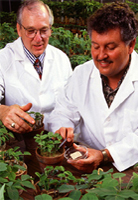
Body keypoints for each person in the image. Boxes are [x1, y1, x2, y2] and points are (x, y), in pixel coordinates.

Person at [48, 2, 138, 173]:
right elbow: (63, 111)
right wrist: (63, 127)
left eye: (110, 47)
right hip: (85, 166)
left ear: (130, 45)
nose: (101, 55)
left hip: (131, 170)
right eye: (95, 46)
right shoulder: (82, 74)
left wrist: (105, 154)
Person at [0, 0, 72, 135]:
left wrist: (66, 126)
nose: (38, 38)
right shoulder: (3, 59)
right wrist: (3, 111)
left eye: (44, 30)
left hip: (56, 140)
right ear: (19, 29)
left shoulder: (61, 59)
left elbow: (71, 104)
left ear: (50, 29)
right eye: (31, 31)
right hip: (20, 142)